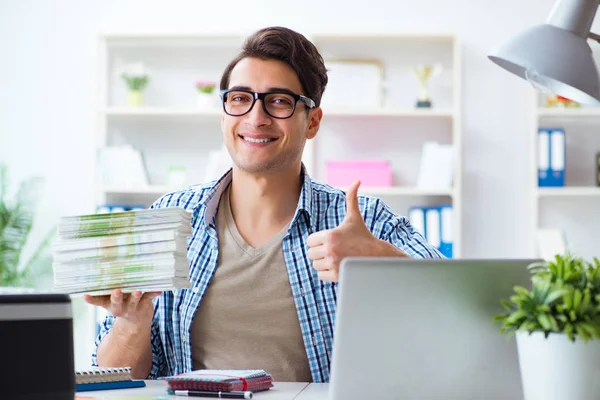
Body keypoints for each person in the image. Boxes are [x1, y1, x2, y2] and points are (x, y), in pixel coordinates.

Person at [86, 26, 443, 384]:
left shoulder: (360, 220)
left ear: (313, 121)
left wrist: (380, 262)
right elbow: (111, 379)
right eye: (240, 98)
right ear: (224, 113)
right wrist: (131, 323)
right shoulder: (172, 217)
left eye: (279, 101)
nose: (256, 117)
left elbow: (465, 309)